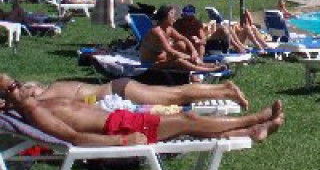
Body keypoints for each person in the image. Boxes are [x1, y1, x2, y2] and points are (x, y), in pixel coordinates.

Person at [1, 79, 283, 146]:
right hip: (119, 128)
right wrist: (119, 141)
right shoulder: (37, 112)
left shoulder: (40, 103)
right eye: (12, 88)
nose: (20, 86)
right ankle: (255, 119)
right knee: (188, 119)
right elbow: (73, 137)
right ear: (5, 103)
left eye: (16, 83)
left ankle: (251, 131)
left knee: (189, 125)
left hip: (120, 118)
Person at [0, 73, 249, 110]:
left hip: (120, 92)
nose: (21, 90)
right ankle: (222, 88)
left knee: (177, 96)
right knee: (176, 92)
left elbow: (26, 104)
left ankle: (225, 92)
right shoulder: (53, 88)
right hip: (119, 88)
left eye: (19, 86)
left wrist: (8, 103)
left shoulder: (45, 96)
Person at [139, 5, 225, 72]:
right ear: (165, 17)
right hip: (151, 63)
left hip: (163, 57)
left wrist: (193, 51)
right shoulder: (157, 31)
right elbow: (170, 51)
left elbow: (184, 38)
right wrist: (189, 57)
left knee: (182, 45)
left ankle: (203, 64)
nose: (175, 16)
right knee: (180, 61)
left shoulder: (169, 28)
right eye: (172, 14)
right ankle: (208, 70)